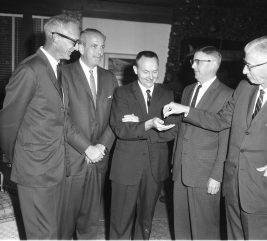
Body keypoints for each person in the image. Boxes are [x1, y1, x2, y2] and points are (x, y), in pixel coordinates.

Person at [163, 36, 267, 240]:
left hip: (263, 191)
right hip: (233, 189)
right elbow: (220, 121)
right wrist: (186, 110)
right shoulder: (244, 88)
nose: (244, 71)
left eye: (249, 65)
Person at [0, 14, 103, 239]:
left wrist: (86, 147)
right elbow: (7, 123)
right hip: (35, 170)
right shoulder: (30, 70)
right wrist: (18, 160)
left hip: (56, 169)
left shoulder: (57, 69)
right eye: (74, 41)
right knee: (42, 235)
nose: (77, 48)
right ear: (54, 36)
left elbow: (61, 119)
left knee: (53, 231)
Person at [109, 50, 177, 239]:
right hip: (126, 167)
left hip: (154, 168)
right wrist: (149, 124)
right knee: (120, 220)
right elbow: (121, 130)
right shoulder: (121, 93)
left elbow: (173, 130)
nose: (151, 77)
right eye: (146, 72)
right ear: (135, 70)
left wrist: (137, 124)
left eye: (155, 71)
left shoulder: (167, 94)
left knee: (145, 220)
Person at [60, 28, 117, 239]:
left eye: (102, 46)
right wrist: (86, 147)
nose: (100, 51)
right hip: (73, 158)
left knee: (91, 221)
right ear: (80, 47)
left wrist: (102, 146)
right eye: (94, 46)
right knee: (65, 220)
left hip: (100, 158)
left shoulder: (110, 78)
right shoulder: (63, 74)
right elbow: (61, 117)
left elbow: (115, 117)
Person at [172, 46, 233, 239]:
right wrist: (175, 162)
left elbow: (226, 138)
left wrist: (217, 175)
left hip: (206, 173)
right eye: (193, 61)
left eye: (198, 62)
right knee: (181, 225)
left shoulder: (228, 94)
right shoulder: (188, 90)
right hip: (182, 169)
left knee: (204, 229)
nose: (193, 66)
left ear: (214, 64)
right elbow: (184, 130)